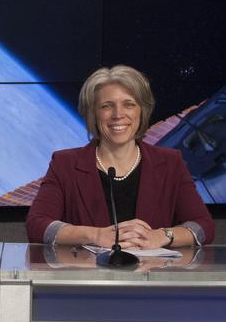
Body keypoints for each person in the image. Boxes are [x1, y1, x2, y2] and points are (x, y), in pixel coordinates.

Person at [26, 65, 214, 249]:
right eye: (107, 106)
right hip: (88, 278)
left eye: (129, 104)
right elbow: (37, 225)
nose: (118, 115)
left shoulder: (170, 162)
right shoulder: (65, 164)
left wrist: (162, 235)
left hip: (150, 277)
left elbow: (204, 226)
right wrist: (95, 235)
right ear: (93, 114)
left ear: (142, 111)